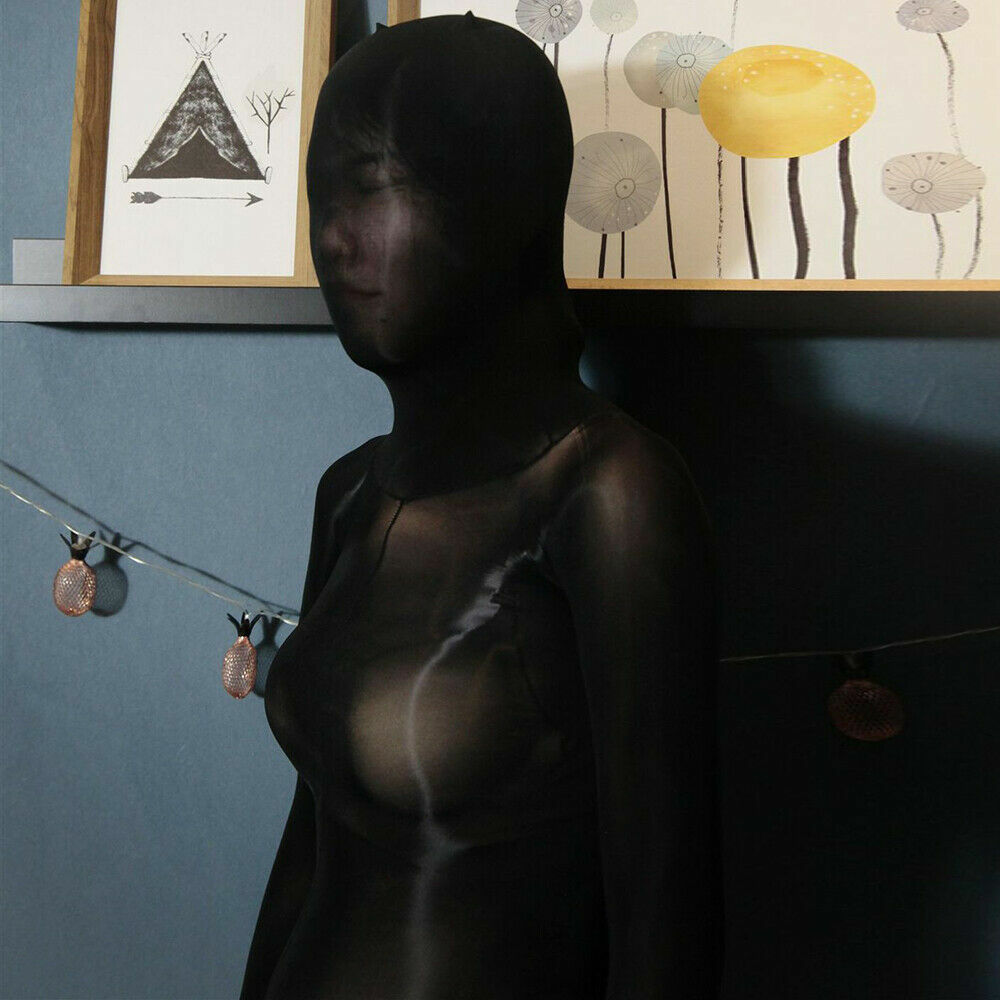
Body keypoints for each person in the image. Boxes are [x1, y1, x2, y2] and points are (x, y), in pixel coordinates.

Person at [240, 13, 724, 999]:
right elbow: (309, 850)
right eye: (323, 194)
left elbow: (666, 920)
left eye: (372, 185)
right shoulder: (349, 492)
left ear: (502, 202)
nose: (333, 234)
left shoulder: (610, 491)